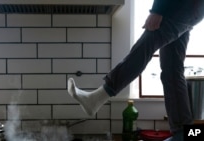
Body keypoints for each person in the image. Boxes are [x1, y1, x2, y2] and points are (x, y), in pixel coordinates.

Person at [67, 0, 204, 141]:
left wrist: (158, 10)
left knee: (148, 43)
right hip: (194, 7)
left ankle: (97, 98)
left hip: (184, 4)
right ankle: (183, 134)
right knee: (172, 69)